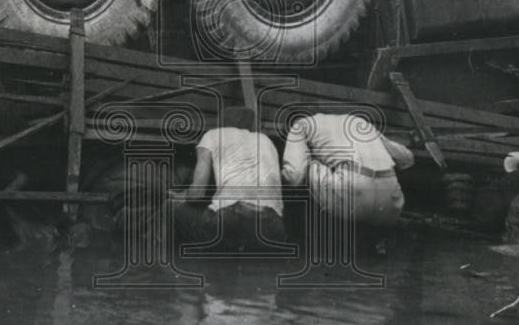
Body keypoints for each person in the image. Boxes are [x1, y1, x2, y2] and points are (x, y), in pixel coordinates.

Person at [281, 112, 414, 253]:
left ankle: (320, 236)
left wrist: (277, 179)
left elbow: (294, 177)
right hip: (392, 204)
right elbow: (408, 159)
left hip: (351, 199)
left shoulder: (299, 126)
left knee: (308, 163)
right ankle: (371, 235)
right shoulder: (360, 123)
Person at [161, 106, 286, 251]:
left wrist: (181, 196)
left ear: (221, 122)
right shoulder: (266, 140)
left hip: (232, 220)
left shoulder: (212, 135)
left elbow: (197, 194)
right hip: (273, 227)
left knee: (170, 207)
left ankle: (162, 263)